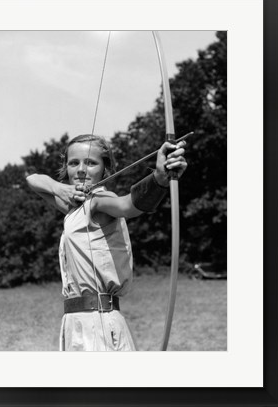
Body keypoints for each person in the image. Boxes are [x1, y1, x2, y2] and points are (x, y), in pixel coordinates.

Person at [26, 134, 187, 351]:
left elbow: (127, 205)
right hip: (76, 322)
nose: (81, 169)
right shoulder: (75, 208)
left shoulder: (99, 201)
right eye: (74, 163)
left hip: (98, 322)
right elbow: (33, 180)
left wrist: (159, 178)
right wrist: (59, 188)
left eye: (91, 162)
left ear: (105, 168)